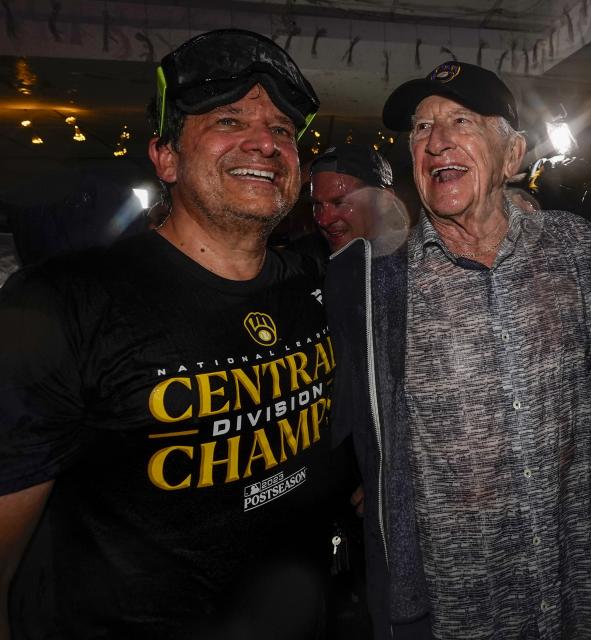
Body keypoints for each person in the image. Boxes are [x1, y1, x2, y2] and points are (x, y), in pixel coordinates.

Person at [0, 29, 349, 639]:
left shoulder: (312, 284)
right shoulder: (67, 305)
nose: (265, 143)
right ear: (165, 156)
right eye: (228, 119)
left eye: (284, 131)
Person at [324, 60, 591, 639]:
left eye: (461, 121)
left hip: (580, 580)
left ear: (512, 155)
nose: (436, 139)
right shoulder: (377, 284)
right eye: (420, 128)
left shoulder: (575, 246)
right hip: (461, 604)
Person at [304, 145, 407, 257]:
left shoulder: (416, 264)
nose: (323, 220)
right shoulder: (311, 259)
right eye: (317, 204)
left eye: (339, 203)